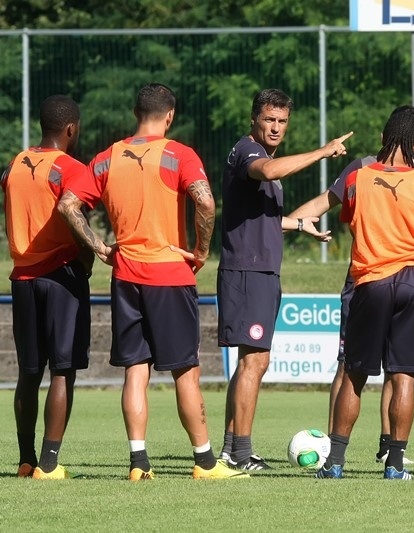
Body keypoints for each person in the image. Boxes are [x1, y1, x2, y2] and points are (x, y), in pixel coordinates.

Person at [58, 83, 245, 480]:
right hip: (169, 275)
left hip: (126, 275)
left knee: (135, 370)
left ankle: (138, 463)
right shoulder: (179, 154)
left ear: (134, 112)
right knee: (185, 371)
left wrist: (98, 246)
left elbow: (68, 204)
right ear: (170, 115)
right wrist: (201, 249)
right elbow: (206, 202)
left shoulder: (108, 158)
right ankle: (206, 462)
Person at [316, 105, 414, 480]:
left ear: (383, 138)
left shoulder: (358, 177)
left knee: (354, 373)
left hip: (370, 280)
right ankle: (395, 465)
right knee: (403, 376)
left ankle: (335, 463)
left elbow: (348, 219)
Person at [287, 105, 414, 466]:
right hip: (388, 279)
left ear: (381, 136)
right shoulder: (362, 170)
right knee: (365, 366)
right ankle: (337, 449)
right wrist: (284, 222)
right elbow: (326, 203)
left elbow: (334, 211)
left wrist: (274, 225)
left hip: (373, 279)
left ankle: (383, 448)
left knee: (375, 367)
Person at [217, 88, 350, 471]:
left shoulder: (263, 155)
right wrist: (323, 152)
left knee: (252, 362)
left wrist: (297, 224)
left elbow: (259, 218)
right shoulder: (249, 152)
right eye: (269, 120)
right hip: (248, 272)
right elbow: (270, 171)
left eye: (282, 121)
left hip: (259, 271)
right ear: (253, 120)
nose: (276, 128)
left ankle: (232, 449)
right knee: (255, 362)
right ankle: (240, 453)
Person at [1, 95, 92, 480]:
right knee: (62, 371)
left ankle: (25, 460)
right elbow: (77, 219)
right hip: (61, 276)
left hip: (22, 277)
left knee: (28, 371)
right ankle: (50, 464)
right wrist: (88, 262)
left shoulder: (15, 164)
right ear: (71, 128)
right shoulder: (71, 168)